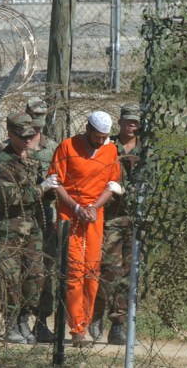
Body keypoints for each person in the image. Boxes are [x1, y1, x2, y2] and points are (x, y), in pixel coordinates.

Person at [48, 111, 122, 347]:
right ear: (88, 129)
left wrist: (93, 207)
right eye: (97, 136)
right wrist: (77, 207)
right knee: (74, 273)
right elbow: (55, 182)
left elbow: (112, 184)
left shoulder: (110, 150)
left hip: (94, 217)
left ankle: (86, 323)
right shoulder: (67, 147)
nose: (100, 141)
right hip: (70, 216)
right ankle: (77, 330)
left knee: (91, 272)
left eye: (104, 137)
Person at [0, 112, 62, 344]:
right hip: (8, 230)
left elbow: (42, 196)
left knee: (35, 276)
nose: (27, 140)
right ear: (10, 134)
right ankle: (12, 324)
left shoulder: (33, 158)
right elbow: (10, 197)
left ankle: (29, 320)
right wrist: (41, 188)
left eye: (31, 135)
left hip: (33, 228)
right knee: (10, 279)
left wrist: (54, 188)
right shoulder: (2, 161)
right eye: (22, 136)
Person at [90, 104, 142, 345]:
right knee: (108, 271)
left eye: (136, 122)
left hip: (136, 220)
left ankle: (118, 324)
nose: (132, 126)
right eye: (128, 121)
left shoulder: (146, 149)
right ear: (120, 121)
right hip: (111, 217)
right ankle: (96, 313)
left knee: (129, 275)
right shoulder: (107, 146)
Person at [25, 97, 60, 343]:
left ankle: (41, 321)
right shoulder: (14, 145)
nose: (37, 125)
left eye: (41, 119)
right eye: (33, 118)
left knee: (46, 270)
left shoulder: (53, 147)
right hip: (20, 216)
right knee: (21, 270)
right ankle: (17, 320)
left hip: (46, 215)